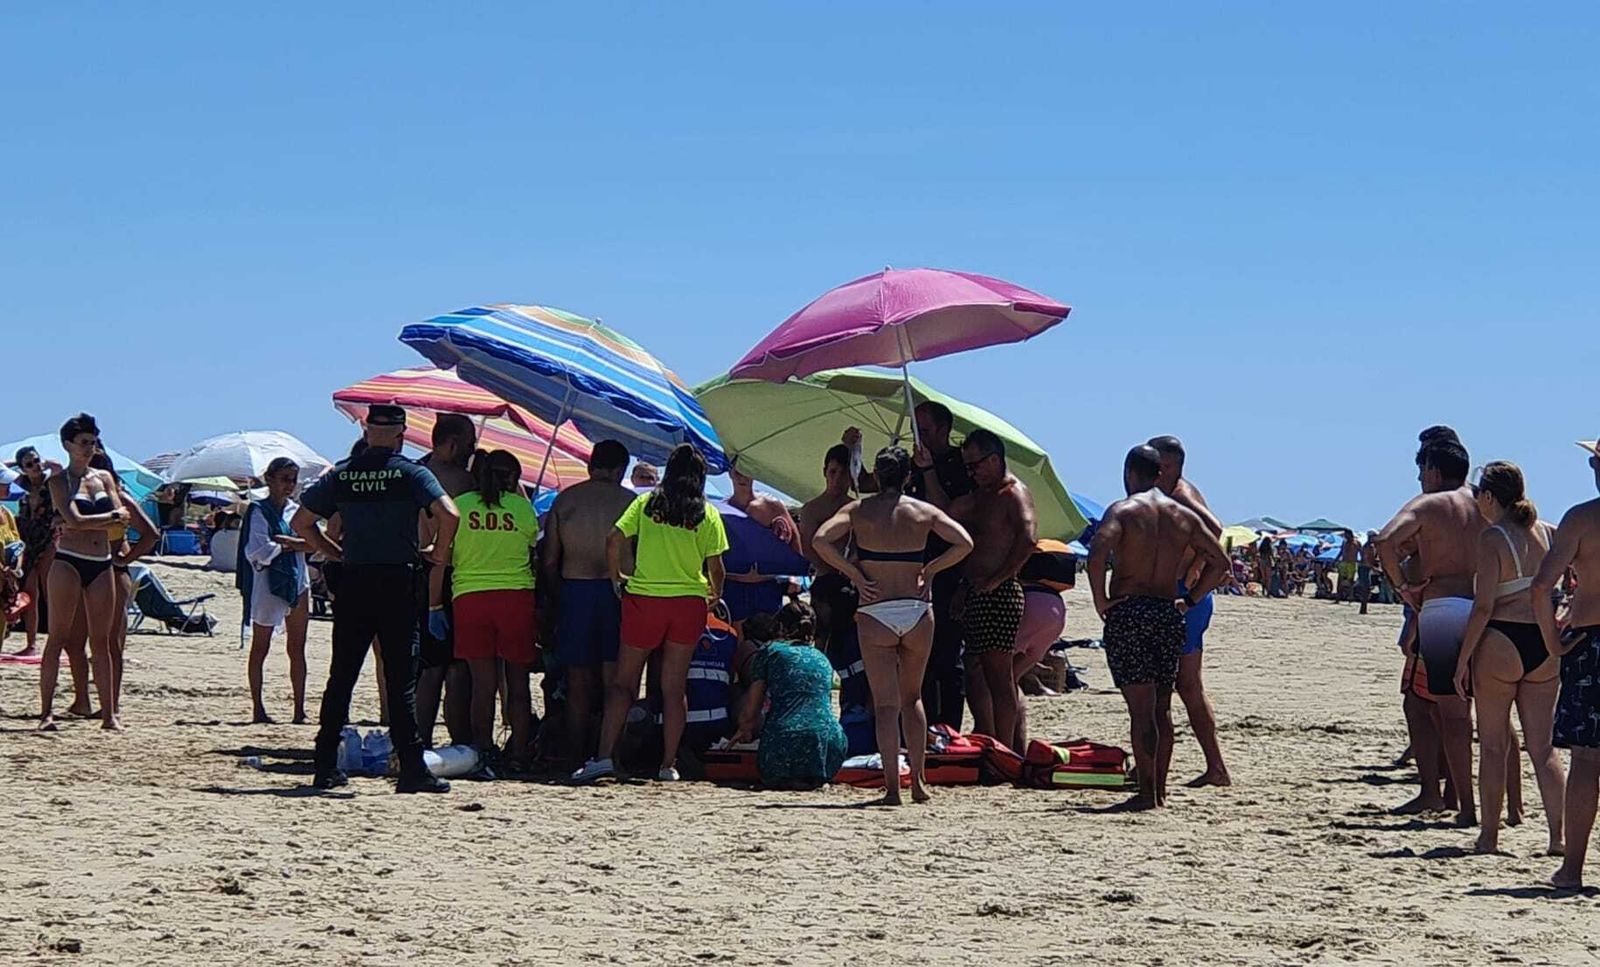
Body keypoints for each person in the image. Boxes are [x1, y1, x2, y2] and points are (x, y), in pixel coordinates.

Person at [292, 404, 459, 794]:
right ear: (402, 434)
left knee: (342, 675)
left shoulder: (343, 474)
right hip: (398, 579)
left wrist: (332, 551)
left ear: (367, 432)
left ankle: (324, 764)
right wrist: (439, 552)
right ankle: (412, 769)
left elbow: (301, 522)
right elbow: (449, 515)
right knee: (401, 677)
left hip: (354, 578)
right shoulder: (412, 473)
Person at [811, 446, 973, 804]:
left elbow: (820, 539)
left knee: (885, 704)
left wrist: (853, 572)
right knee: (912, 697)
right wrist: (930, 569)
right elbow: (964, 542)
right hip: (916, 609)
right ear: (907, 477)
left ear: (877, 478)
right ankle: (918, 782)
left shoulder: (858, 510)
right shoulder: (923, 511)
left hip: (875, 608)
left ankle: (892, 789)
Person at [573, 444, 728, 783]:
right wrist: (714, 594)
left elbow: (614, 539)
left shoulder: (645, 504)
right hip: (687, 602)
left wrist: (617, 577)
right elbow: (717, 565)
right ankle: (668, 764)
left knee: (623, 684)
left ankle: (603, 758)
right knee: (674, 688)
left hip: (645, 598)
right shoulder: (708, 513)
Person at [1087, 445, 1229, 810]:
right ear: (1159, 474)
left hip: (1130, 610)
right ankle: (1160, 792)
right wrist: (1192, 598)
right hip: (1167, 612)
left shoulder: (1123, 510)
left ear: (1129, 473)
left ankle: (1147, 792)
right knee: (1162, 707)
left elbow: (1098, 553)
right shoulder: (1181, 516)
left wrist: (1101, 599)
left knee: (1140, 709)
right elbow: (1220, 562)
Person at [1450, 461, 1565, 855]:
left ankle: (1489, 836)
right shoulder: (1548, 532)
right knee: (1543, 748)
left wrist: (1463, 658)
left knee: (1494, 746)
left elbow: (1482, 608)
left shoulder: (1493, 538)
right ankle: (1558, 838)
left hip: (1501, 638)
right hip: (1542, 640)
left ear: (1488, 497)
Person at [1375, 432, 1482, 826]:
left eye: (1421, 470)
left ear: (1434, 471)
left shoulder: (1432, 504)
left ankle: (1449, 800)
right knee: (1459, 705)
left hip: (1441, 608)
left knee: (1447, 709)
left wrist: (1403, 587)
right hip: (1484, 608)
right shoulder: (1487, 503)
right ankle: (1453, 794)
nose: (1420, 478)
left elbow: (1386, 540)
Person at [438, 448, 540, 773]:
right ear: (514, 478)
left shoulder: (461, 505)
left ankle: (483, 750)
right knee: (517, 683)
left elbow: (447, 552)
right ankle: (519, 753)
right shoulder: (522, 508)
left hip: (470, 596)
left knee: (483, 685)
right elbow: (533, 547)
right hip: (515, 596)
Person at [1531, 438, 1600, 889]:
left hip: (1591, 640)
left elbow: (1541, 588)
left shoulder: (1581, 518)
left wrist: (1553, 642)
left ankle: (1573, 868)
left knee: (1587, 760)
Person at [542, 439, 635, 767]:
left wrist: (556, 595)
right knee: (616, 681)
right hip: (617, 593)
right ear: (621, 470)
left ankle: (575, 753)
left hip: (575, 591)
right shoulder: (631, 502)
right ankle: (611, 753)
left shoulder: (566, 500)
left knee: (577, 681)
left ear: (590, 465)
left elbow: (550, 559)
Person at [1147, 435, 1231, 787]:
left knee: (1185, 685)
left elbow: (1213, 527)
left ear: (1170, 467)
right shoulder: (1168, 495)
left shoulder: (1181, 495)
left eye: (1157, 466)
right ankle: (1164, 761)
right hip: (1180, 594)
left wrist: (1196, 565)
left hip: (1186, 596)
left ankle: (1216, 768)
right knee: (1173, 683)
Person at [40, 414, 128, 731]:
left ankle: (109, 714)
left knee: (102, 641)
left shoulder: (103, 477)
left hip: (101, 560)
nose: (89, 448)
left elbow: (124, 517)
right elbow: (75, 519)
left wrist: (108, 519)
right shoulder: (59, 481)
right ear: (68, 445)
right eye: (83, 443)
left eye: (92, 442)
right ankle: (46, 713)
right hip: (68, 559)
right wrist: (109, 518)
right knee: (58, 637)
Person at [952, 428, 1035, 750]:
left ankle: (1006, 747)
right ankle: (992, 739)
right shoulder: (980, 496)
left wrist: (999, 578)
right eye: (967, 467)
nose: (972, 473)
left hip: (1000, 593)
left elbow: (1028, 539)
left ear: (995, 459)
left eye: (975, 465)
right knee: (975, 671)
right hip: (976, 591)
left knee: (999, 676)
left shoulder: (1013, 493)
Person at [905, 401, 977, 730]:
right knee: (919, 657)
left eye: (926, 430)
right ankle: (926, 728)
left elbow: (946, 514)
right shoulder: (910, 464)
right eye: (915, 430)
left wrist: (929, 470)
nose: (919, 437)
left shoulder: (958, 466)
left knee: (947, 656)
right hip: (913, 569)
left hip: (949, 569)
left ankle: (949, 727)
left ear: (944, 430)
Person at [732, 602, 849, 790]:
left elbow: (751, 709)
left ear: (779, 626)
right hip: (829, 745)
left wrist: (743, 729)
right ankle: (815, 777)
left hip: (784, 741)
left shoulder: (770, 652)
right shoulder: (822, 658)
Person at [416, 414, 477, 750]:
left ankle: (419, 739)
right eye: (469, 444)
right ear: (453, 443)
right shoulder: (461, 482)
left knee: (425, 666)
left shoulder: (413, 473)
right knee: (455, 669)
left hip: (414, 573)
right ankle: (460, 740)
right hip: (449, 576)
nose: (473, 450)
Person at [240, 457, 313, 724]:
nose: (289, 486)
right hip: (267, 583)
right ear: (270, 479)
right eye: (284, 479)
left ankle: (299, 709)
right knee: (261, 646)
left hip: (297, 581)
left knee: (297, 647)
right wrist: (290, 545)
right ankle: (258, 707)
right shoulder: (258, 511)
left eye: (293, 481)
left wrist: (290, 543)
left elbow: (314, 542)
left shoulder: (297, 511)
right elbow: (258, 550)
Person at [90, 447, 158, 723]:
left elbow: (151, 534)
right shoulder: (85, 501)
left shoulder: (120, 500)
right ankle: (101, 701)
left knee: (111, 643)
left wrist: (125, 558)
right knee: (95, 641)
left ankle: (112, 704)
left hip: (113, 569)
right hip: (96, 568)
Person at [723, 458, 802, 628]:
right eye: (738, 472)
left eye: (746, 472)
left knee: (770, 636)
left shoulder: (773, 506)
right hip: (734, 583)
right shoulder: (722, 510)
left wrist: (794, 575)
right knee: (737, 640)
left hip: (766, 584)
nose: (742, 477)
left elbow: (794, 540)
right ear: (730, 473)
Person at [12, 446, 56, 657]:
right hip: (27, 540)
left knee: (52, 594)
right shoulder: (21, 485)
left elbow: (58, 468)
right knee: (30, 595)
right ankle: (31, 643)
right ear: (22, 468)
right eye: (29, 464)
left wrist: (44, 463)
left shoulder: (51, 482)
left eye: (36, 461)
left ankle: (58, 641)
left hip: (47, 539)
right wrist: (18, 467)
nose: (35, 466)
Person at [1337, 529, 1361, 603]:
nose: (1345, 536)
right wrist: (1336, 559)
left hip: (1351, 563)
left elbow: (1361, 551)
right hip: (1344, 562)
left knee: (1350, 581)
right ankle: (1338, 597)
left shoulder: (1356, 543)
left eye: (1346, 534)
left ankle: (1350, 597)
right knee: (1340, 580)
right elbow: (1341, 552)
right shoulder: (1344, 542)